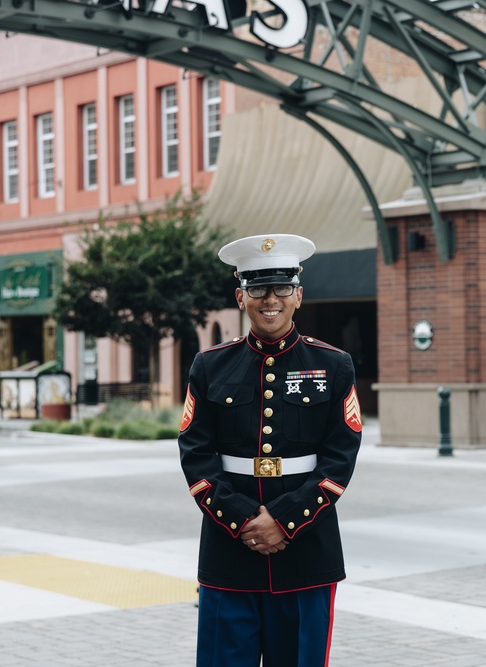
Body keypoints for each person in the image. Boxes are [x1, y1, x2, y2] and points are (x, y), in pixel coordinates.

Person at [178, 233, 363, 666]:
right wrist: (244, 520)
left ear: (299, 295)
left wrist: (283, 521)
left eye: (281, 287)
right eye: (258, 288)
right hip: (230, 552)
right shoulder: (210, 367)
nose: (270, 299)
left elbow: (340, 459)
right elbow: (196, 455)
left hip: (305, 550)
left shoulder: (334, 365)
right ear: (240, 297)